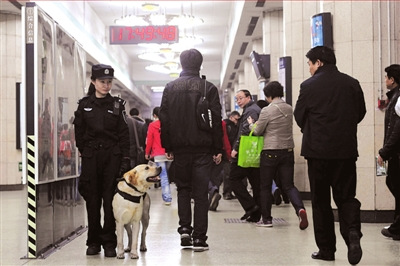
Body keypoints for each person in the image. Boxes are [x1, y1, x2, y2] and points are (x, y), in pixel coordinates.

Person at [294, 46, 366, 265]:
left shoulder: (308, 86)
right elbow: (360, 112)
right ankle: (353, 233)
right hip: (345, 152)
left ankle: (326, 249)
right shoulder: (352, 83)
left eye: (309, 63)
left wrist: (315, 129)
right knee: (346, 197)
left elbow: (299, 115)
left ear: (319, 62)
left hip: (317, 153)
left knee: (321, 201)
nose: (309, 68)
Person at [159, 48, 223, 252]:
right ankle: (200, 239)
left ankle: (185, 230)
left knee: (183, 189)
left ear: (181, 64)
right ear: (200, 65)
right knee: (201, 194)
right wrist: (217, 147)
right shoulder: (208, 88)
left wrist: (168, 145)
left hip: (180, 149)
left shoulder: (170, 87)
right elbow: (216, 120)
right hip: (203, 149)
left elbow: (165, 119)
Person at [73, 64, 130, 257]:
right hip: (91, 158)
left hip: (111, 158)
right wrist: (85, 151)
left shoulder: (117, 105)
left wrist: (125, 160)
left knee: (109, 201)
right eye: (102, 82)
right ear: (93, 82)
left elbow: (124, 135)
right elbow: (78, 133)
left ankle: (109, 243)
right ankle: (93, 241)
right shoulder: (84, 104)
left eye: (109, 82)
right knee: (93, 200)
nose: (106, 86)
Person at [249, 81, 308, 229]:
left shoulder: (267, 110)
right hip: (287, 151)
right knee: (288, 185)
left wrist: (251, 124)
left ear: (268, 95)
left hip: (270, 151)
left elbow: (257, 131)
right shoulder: (289, 108)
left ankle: (266, 219)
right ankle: (300, 209)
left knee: (265, 186)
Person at [229, 89, 261, 223]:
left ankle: (251, 206)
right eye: (237, 99)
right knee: (255, 182)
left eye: (241, 98)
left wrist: (235, 148)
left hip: (246, 150)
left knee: (233, 178)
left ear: (248, 97)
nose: (238, 101)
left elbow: (246, 130)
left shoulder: (251, 110)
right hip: (251, 151)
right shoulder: (250, 109)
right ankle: (256, 213)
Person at [377, 64, 400, 240]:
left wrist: (385, 151)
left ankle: (397, 226)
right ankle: (396, 226)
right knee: (393, 184)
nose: (385, 80)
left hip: (397, 154)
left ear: (392, 80)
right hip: (395, 153)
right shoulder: (394, 98)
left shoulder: (398, 99)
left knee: (394, 184)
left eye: (386, 77)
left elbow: (396, 130)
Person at [145, 106, 172, 205]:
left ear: (155, 115)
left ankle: (167, 198)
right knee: (168, 175)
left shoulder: (152, 125)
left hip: (158, 154)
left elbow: (149, 140)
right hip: (169, 153)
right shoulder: (170, 124)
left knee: (163, 175)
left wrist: (147, 153)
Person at [209, 119, 232, 211]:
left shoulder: (200, 118)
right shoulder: (221, 122)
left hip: (206, 151)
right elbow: (224, 138)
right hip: (220, 151)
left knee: (204, 175)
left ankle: (213, 192)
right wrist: (227, 153)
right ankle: (213, 201)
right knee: (216, 177)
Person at [222, 111, 240, 200]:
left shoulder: (236, 126)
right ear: (231, 117)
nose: (237, 121)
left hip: (233, 152)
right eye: (236, 119)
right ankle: (227, 192)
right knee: (227, 173)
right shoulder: (226, 125)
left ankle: (229, 192)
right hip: (227, 153)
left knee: (231, 174)